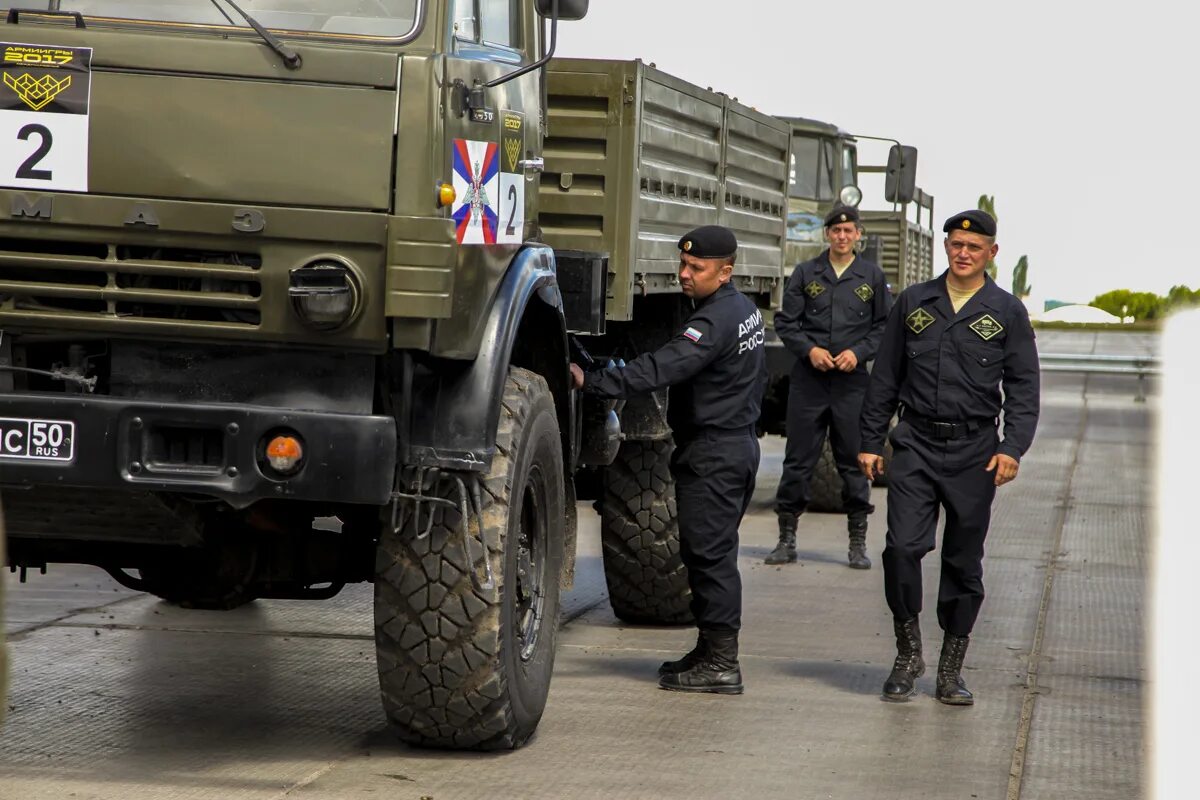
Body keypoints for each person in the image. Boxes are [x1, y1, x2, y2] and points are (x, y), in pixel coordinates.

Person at [570, 224, 765, 695]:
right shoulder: (742, 309)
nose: (684, 274)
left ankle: (722, 661)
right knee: (705, 553)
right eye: (682, 264)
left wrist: (592, 381)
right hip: (732, 446)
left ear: (725, 272)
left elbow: (662, 368)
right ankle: (708, 649)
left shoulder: (712, 321)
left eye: (696, 268)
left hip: (716, 453)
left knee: (709, 556)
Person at [858, 209, 1040, 704]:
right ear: (946, 246)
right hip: (915, 443)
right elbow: (885, 377)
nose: (963, 254)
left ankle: (949, 670)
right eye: (956, 245)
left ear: (991, 253)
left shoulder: (1006, 311)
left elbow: (1023, 386)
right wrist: (872, 440)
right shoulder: (915, 301)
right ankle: (908, 652)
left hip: (975, 452)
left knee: (963, 562)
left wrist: (1012, 447)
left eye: (974, 248)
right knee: (901, 549)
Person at [768, 205, 891, 568]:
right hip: (810, 382)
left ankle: (857, 543)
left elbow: (884, 327)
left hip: (852, 384)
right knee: (797, 462)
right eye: (836, 231)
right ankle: (786, 539)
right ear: (827, 235)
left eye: (848, 231)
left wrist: (859, 352)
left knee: (855, 463)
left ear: (857, 235)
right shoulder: (807, 273)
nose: (842, 237)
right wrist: (810, 351)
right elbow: (786, 323)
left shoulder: (871, 276)